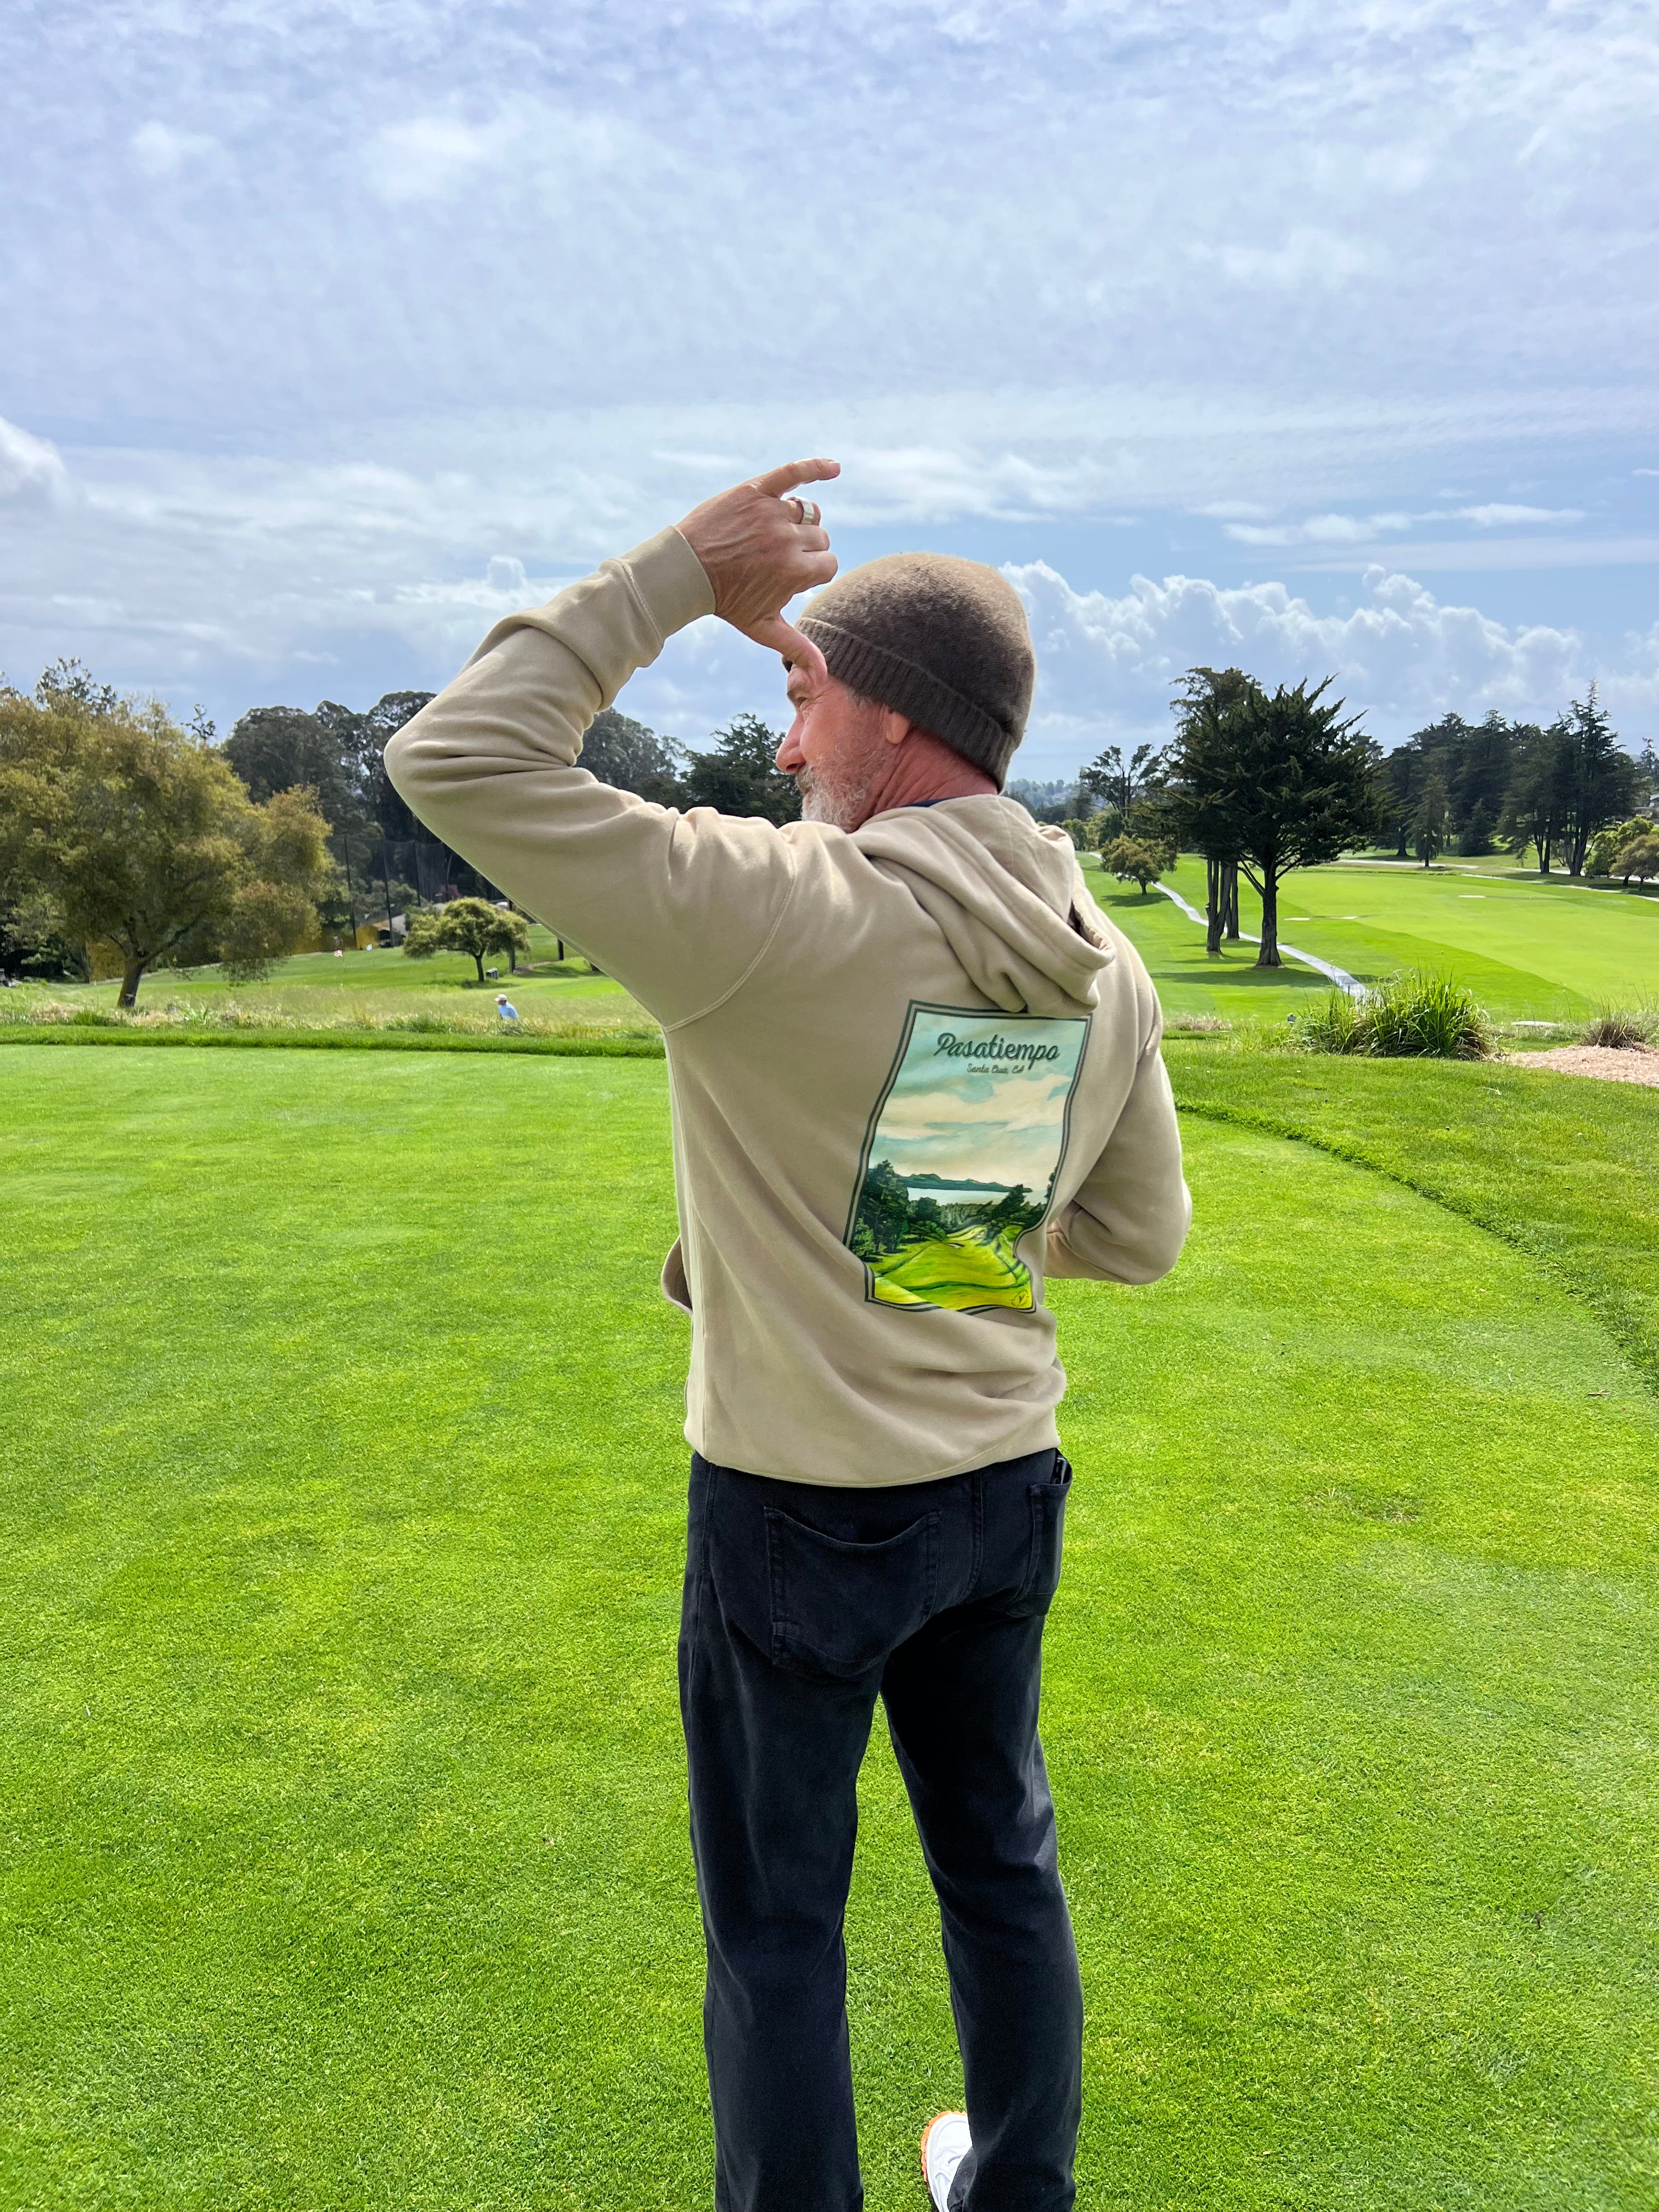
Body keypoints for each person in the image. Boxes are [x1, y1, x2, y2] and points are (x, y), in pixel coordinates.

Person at [385, 459, 1190, 2212]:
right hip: (1003, 1489)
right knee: (1001, 1866)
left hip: (799, 1514)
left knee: (774, 1927)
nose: (780, 741)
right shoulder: (1094, 949)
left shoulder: (776, 911)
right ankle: (1018, 2185)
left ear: (890, 718)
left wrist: (684, 569)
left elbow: (451, 758)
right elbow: (1134, 1236)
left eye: (798, 688)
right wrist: (900, 1211)